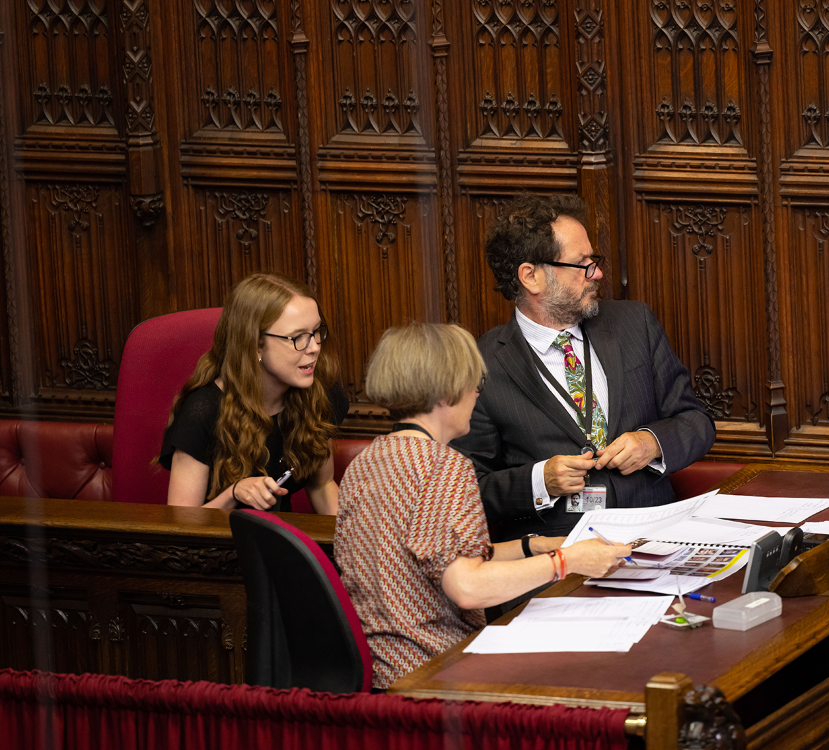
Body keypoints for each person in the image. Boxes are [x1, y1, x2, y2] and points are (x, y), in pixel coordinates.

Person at [334, 322, 629, 689]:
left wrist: (534, 546)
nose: (477, 395)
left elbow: (429, 559)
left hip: (378, 671)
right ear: (447, 391)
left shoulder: (369, 460)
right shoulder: (444, 465)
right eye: (476, 385)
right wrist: (569, 562)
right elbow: (467, 587)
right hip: (434, 671)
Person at [452, 193, 716, 541]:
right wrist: (538, 481)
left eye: (595, 260)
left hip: (654, 536)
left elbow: (697, 421)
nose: (598, 273)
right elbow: (468, 491)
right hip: (559, 554)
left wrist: (652, 443)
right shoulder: (479, 364)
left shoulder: (634, 324)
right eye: (582, 264)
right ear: (531, 277)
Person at [159, 272, 348, 514]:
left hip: (280, 542)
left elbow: (321, 485)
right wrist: (234, 493)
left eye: (316, 332)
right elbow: (180, 525)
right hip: (220, 547)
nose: (314, 348)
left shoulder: (317, 391)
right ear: (256, 343)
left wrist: (353, 545)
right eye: (298, 337)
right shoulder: (203, 411)